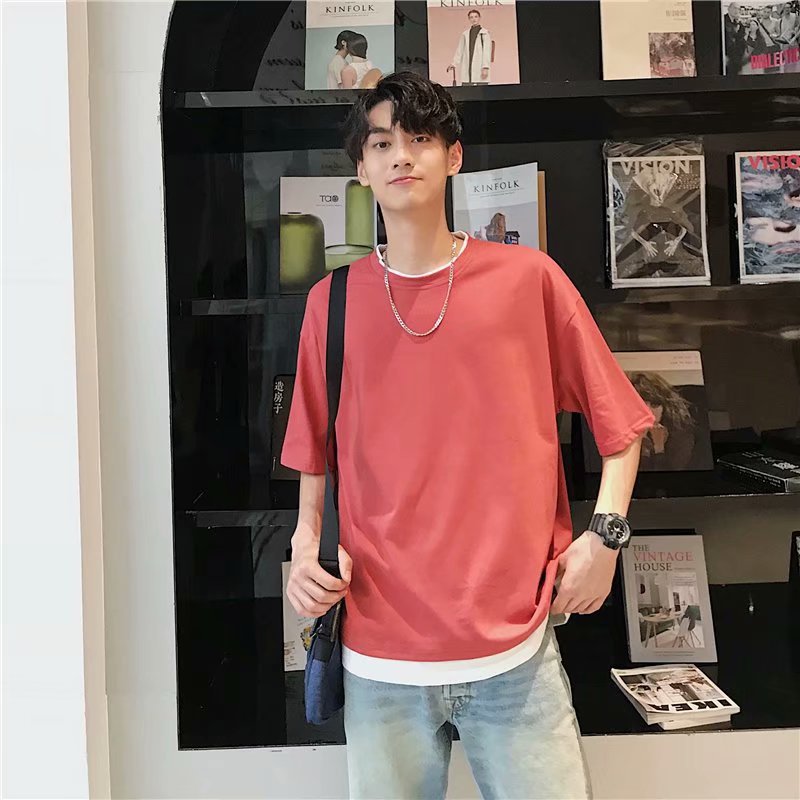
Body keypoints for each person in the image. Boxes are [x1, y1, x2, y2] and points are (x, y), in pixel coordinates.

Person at [281, 72, 654, 799]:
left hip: (516, 653)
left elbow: (622, 426)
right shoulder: (333, 302)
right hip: (379, 654)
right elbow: (314, 453)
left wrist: (604, 541)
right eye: (381, 143)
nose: (401, 156)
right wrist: (303, 546)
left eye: (420, 138)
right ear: (361, 168)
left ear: (453, 156)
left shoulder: (528, 280)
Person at [448, 9, 492, 85]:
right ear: (469, 19)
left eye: (476, 17)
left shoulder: (484, 33)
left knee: (482, 87)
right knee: (467, 85)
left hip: (480, 66)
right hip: (468, 65)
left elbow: (487, 52)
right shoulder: (465, 34)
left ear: (479, 18)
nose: (474, 19)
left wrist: (485, 67)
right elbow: (460, 50)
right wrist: (454, 63)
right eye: (471, 17)